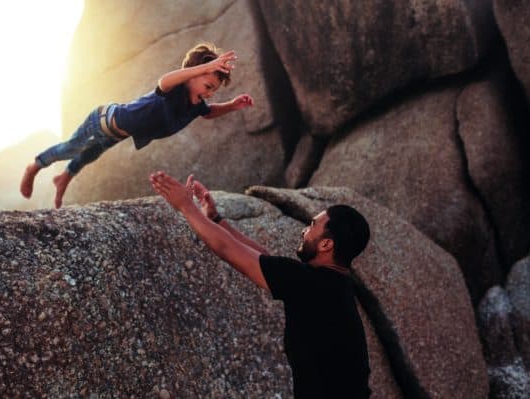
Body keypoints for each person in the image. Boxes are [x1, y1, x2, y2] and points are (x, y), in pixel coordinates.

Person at [149, 171, 372, 398]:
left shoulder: (311, 283)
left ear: (326, 244)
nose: (304, 231)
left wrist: (186, 206)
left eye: (312, 225)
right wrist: (215, 219)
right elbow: (264, 258)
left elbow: (228, 249)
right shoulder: (331, 283)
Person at [20, 42, 254, 208]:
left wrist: (232, 105)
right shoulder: (174, 91)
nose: (211, 93)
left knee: (90, 154)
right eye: (208, 85)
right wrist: (204, 67)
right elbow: (164, 81)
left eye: (214, 89)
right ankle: (35, 165)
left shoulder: (196, 105)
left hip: (116, 134)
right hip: (102, 119)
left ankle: (64, 178)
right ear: (191, 76)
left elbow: (209, 113)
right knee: (72, 148)